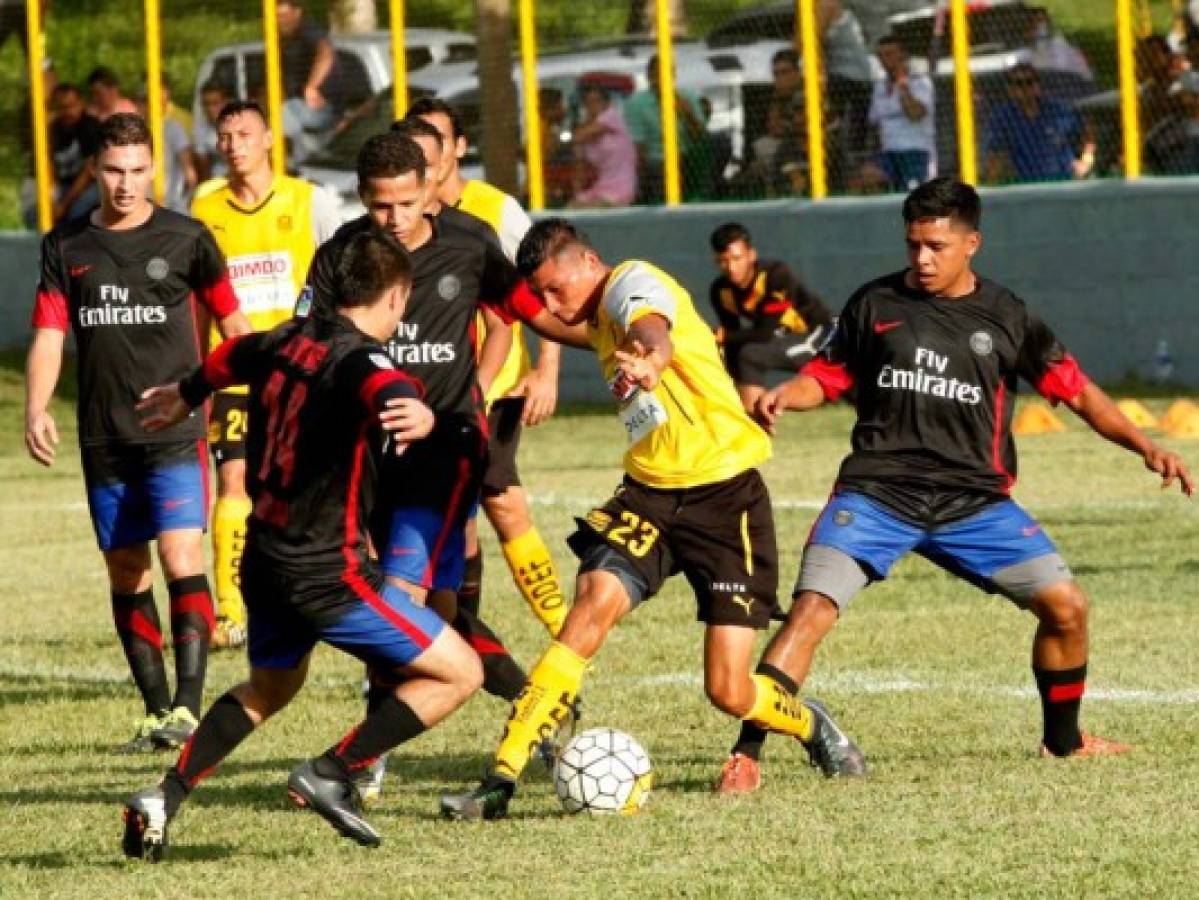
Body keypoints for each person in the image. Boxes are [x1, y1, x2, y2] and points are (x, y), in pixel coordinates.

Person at [734, 177, 1192, 790]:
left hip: (973, 503)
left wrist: (1145, 445)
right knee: (810, 611)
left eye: (936, 246)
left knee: (1067, 608)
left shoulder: (1008, 316)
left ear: (971, 242)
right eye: (913, 244)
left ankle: (1063, 743)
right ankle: (746, 755)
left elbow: (1078, 392)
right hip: (877, 494)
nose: (921, 259)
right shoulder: (875, 303)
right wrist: (785, 396)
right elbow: (826, 376)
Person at [439, 219, 865, 820]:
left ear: (589, 260)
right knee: (589, 606)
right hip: (647, 497)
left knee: (729, 689)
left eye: (560, 288)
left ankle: (808, 721)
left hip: (726, 499)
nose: (557, 305)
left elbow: (652, 329)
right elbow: (544, 319)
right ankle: (500, 779)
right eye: (546, 294)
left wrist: (652, 360)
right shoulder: (589, 312)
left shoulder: (630, 285)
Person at [122, 229, 483, 861]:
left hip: (264, 560)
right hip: (328, 574)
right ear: (395, 297)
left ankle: (163, 796)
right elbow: (383, 385)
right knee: (459, 672)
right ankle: (333, 771)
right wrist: (415, 408)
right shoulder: (360, 357)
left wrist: (188, 391)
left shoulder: (287, 338)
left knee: (268, 689)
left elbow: (233, 353)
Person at [25, 113, 251, 753]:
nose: (126, 184)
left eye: (138, 171)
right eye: (114, 171)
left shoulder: (188, 238)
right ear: (95, 171)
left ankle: (187, 705)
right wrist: (35, 406)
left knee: (182, 555)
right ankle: (156, 712)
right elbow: (49, 333)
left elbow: (235, 326)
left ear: (155, 169)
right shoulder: (66, 246)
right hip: (104, 437)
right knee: (127, 572)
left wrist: (273, 386)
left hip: (176, 431)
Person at [301, 134, 531, 754]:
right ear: (362, 198)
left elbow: (526, 310)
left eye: (406, 203)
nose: (395, 219)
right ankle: (534, 701)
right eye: (380, 207)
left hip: (446, 450)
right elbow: (309, 350)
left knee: (396, 602)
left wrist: (610, 332)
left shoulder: (470, 244)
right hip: (365, 459)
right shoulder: (341, 257)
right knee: (440, 611)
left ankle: (357, 758)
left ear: (429, 190)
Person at [410, 97, 569, 640]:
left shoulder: (494, 213)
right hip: (428, 392)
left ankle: (562, 627)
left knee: (501, 500)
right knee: (462, 524)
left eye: (437, 139)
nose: (426, 154)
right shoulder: (399, 220)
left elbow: (538, 292)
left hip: (493, 388)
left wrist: (546, 370)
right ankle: (459, 633)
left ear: (456, 148)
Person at [191, 99, 342, 649]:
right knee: (234, 480)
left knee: (307, 488)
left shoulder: (311, 202)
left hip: (301, 372)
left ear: (270, 138)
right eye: (225, 135)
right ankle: (230, 613)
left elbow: (342, 271)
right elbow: (199, 293)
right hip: (235, 370)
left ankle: (313, 596)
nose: (234, 144)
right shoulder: (205, 207)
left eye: (245, 134)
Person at [708, 222, 833, 412]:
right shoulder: (721, 291)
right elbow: (733, 339)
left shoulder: (775, 275)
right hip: (782, 339)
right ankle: (753, 427)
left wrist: (722, 336)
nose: (731, 267)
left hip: (820, 336)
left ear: (751, 255)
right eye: (723, 261)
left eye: (737, 258)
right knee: (741, 357)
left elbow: (765, 332)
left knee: (750, 355)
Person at [984, 63, 1095, 184]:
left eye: (1030, 82)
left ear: (1038, 85)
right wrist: (991, 184)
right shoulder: (1004, 117)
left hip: (1063, 181)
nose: (1025, 88)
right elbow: (994, 154)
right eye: (1018, 83)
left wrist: (1086, 160)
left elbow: (1087, 132)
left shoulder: (1058, 110)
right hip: (1027, 183)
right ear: (1010, 89)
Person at [623, 54, 706, 204]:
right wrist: (638, 177)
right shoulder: (636, 104)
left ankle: (704, 193)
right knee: (659, 172)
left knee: (720, 141)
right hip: (657, 158)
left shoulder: (688, 96)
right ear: (650, 77)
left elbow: (702, 137)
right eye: (658, 73)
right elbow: (638, 145)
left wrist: (687, 113)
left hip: (687, 154)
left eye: (669, 72)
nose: (664, 78)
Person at [864, 36, 934, 192]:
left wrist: (903, 87)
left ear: (902, 55)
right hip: (887, 151)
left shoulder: (920, 82)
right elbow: (874, 121)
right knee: (867, 176)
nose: (884, 59)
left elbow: (915, 114)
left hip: (914, 151)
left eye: (889, 54)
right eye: (881, 55)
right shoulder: (879, 87)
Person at [276, 0, 338, 161]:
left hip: (317, 107)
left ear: (297, 13)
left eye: (283, 15)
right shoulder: (281, 39)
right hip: (302, 113)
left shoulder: (308, 30)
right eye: (276, 16)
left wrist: (311, 87)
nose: (279, 20)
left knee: (280, 117)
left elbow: (325, 52)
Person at [571, 83, 636, 208]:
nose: (592, 106)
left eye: (597, 101)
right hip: (601, 186)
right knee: (572, 208)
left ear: (607, 103)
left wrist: (578, 136)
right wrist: (577, 192)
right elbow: (579, 164)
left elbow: (580, 136)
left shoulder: (611, 116)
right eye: (588, 103)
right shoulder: (585, 132)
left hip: (621, 186)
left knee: (596, 207)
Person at [47, 83, 100, 223]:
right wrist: (51, 200)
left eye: (71, 106)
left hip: (91, 185)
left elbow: (88, 172)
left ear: (81, 104)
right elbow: (48, 167)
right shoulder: (52, 130)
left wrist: (63, 205)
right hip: (63, 186)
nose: (67, 112)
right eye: (62, 107)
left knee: (76, 213)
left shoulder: (90, 127)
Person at [192, 79, 229, 182]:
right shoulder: (200, 129)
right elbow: (204, 168)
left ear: (225, 102)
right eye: (206, 104)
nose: (210, 109)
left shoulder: (239, 124)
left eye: (215, 103)